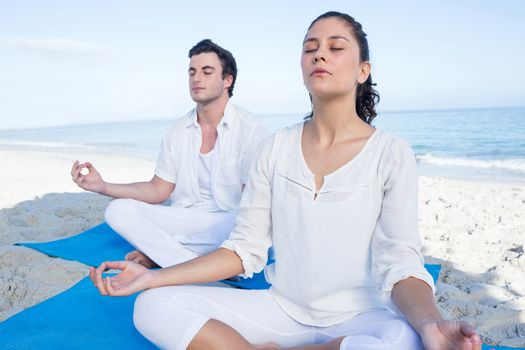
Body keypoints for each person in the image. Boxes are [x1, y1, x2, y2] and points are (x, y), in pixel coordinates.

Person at [89, 12, 482, 350]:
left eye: (335, 46)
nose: (320, 54)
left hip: (362, 317)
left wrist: (431, 324)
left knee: (405, 340)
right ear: (302, 66)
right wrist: (154, 277)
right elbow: (244, 251)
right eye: (310, 47)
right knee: (152, 305)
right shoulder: (276, 146)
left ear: (363, 70)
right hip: (282, 310)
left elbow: (401, 260)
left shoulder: (391, 153)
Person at [71, 39, 269, 269]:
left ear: (227, 80)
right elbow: (158, 190)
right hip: (185, 218)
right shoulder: (176, 131)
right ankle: (197, 264)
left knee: (243, 221)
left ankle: (168, 255)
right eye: (192, 72)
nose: (196, 78)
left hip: (230, 222)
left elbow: (255, 203)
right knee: (117, 210)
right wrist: (103, 186)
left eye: (207, 71)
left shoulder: (251, 129)